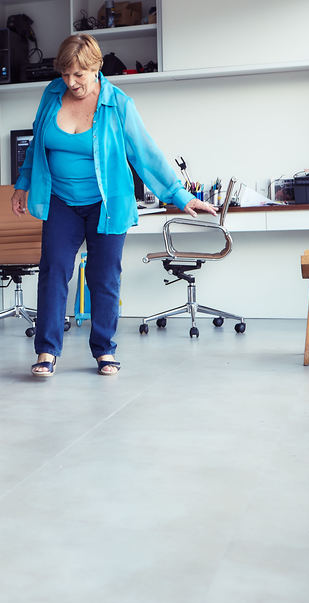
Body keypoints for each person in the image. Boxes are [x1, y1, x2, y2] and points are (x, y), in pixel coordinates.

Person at [12, 33, 216, 377]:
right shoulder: (51, 95)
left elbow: (145, 154)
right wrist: (23, 184)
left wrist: (180, 195)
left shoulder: (117, 103)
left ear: (96, 68)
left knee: (103, 277)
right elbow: (36, 146)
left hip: (105, 203)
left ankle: (104, 350)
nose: (71, 82)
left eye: (79, 74)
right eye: (65, 74)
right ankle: (47, 350)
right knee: (53, 273)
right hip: (60, 199)